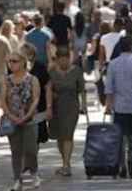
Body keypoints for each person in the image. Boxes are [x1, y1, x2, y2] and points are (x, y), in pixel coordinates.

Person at [104, 36, 132, 178]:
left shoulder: (112, 64)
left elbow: (109, 87)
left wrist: (108, 105)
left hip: (119, 106)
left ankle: (122, 165)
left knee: (120, 138)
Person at [1, 50, 41, 191]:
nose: (11, 64)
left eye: (15, 61)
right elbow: (3, 100)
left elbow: (36, 99)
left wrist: (26, 116)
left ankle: (34, 172)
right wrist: (11, 116)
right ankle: (17, 179)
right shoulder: (7, 80)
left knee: (31, 149)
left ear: (23, 62)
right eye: (9, 61)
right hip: (12, 119)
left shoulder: (32, 79)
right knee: (16, 151)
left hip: (29, 119)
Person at [47, 47, 86, 177]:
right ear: (57, 60)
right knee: (59, 136)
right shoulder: (52, 72)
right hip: (57, 106)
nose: (64, 62)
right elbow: (48, 88)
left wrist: (84, 105)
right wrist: (49, 105)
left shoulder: (76, 71)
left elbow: (82, 89)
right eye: (61, 60)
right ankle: (65, 161)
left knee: (68, 134)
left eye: (66, 59)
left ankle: (66, 165)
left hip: (71, 105)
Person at [20, 43, 51, 145]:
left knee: (36, 138)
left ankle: (32, 158)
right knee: (23, 138)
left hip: (39, 107)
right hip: (21, 108)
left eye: (27, 54)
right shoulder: (16, 67)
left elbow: (48, 87)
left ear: (32, 55)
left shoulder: (40, 67)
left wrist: (49, 107)